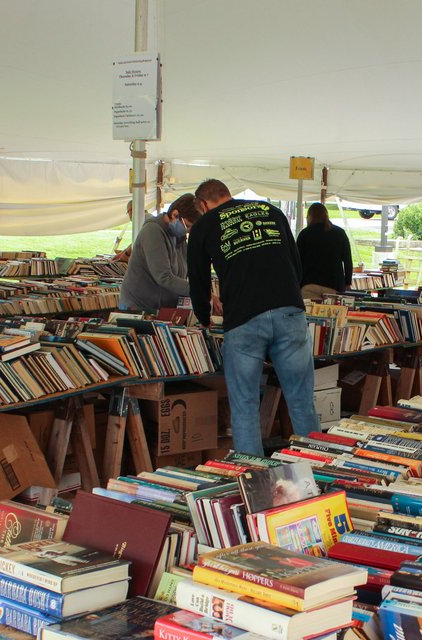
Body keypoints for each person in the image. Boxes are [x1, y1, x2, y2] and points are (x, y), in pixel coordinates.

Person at [187, 179, 321, 456]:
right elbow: (296, 264)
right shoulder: (270, 211)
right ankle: (318, 465)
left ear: (203, 205)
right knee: (301, 399)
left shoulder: (203, 225)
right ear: (228, 194)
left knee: (245, 403)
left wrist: (203, 317)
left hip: (243, 318)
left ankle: (252, 471)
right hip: (289, 309)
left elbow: (198, 281)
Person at [118, 194, 201, 311]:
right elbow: (164, 277)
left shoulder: (178, 236)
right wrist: (200, 291)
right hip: (139, 306)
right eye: (187, 226)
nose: (187, 231)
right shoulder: (152, 231)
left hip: (162, 306)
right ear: (175, 214)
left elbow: (186, 269)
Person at [296, 202, 353, 300]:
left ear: (309, 216)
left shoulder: (304, 234)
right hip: (333, 285)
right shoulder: (340, 233)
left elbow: (296, 261)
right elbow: (348, 260)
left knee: (310, 310)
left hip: (309, 284)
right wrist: (348, 282)